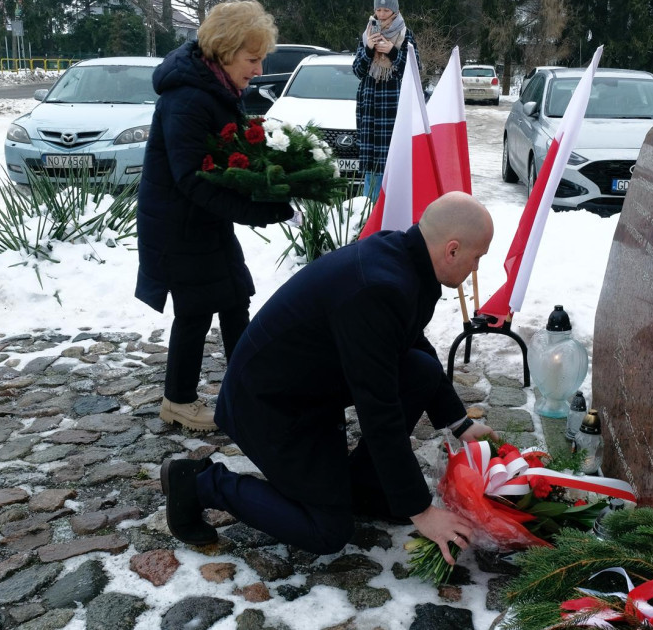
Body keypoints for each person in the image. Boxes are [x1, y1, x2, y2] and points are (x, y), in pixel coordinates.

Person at [161, 192, 496, 562]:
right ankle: (199, 483)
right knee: (327, 530)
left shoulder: (405, 261)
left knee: (420, 369)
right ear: (452, 250)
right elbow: (378, 406)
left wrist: (459, 422)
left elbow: (409, 341)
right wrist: (422, 511)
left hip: (310, 391)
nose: (476, 267)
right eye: (477, 257)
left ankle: (367, 489)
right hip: (268, 406)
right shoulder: (379, 286)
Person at [135, 0, 294, 433]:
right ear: (225, 50)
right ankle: (179, 401)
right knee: (196, 310)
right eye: (253, 58)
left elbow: (225, 160)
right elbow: (193, 179)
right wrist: (256, 210)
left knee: (233, 298)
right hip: (179, 226)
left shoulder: (214, 88)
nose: (259, 69)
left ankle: (248, 392)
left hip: (200, 223)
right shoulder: (188, 98)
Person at [353, 0, 417, 201]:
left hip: (393, 104)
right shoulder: (367, 34)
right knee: (371, 159)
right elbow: (357, 70)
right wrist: (369, 49)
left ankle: (389, 206)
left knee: (392, 157)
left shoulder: (406, 35)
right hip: (369, 104)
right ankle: (368, 209)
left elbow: (414, 70)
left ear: (395, 11)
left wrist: (392, 51)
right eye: (378, 9)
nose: (381, 14)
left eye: (386, 10)